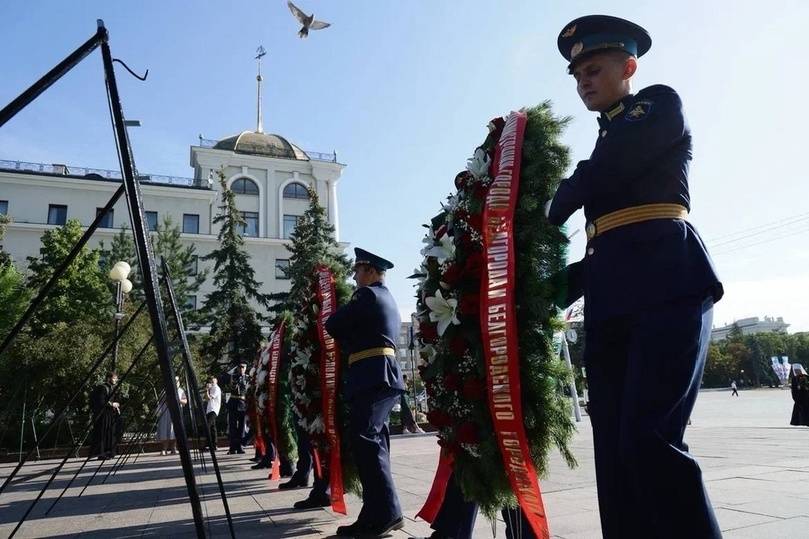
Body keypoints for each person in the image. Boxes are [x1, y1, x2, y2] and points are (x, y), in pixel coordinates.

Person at [546, 15, 724, 538]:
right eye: (576, 74)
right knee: (616, 454)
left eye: (594, 68)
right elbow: (608, 238)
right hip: (610, 296)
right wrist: (549, 287)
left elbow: (610, 170)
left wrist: (546, 208)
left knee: (650, 439)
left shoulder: (657, 106)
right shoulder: (606, 138)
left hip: (667, 284)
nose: (584, 80)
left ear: (629, 67)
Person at [324, 248, 407, 537]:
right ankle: (377, 513)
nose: (354, 276)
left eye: (357, 271)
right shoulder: (387, 298)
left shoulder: (367, 295)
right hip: (383, 376)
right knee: (376, 445)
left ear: (370, 271)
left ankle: (386, 513)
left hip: (371, 375)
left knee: (367, 443)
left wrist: (350, 343)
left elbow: (332, 324)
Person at [90, 372, 121, 460]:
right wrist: (112, 404)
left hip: (110, 414)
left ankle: (110, 452)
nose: (116, 380)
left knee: (110, 433)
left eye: (116, 378)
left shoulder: (113, 388)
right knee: (103, 434)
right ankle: (102, 453)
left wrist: (116, 404)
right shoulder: (102, 388)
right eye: (114, 378)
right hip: (103, 415)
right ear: (108, 378)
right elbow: (101, 401)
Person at [156, 375, 188, 455]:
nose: (176, 382)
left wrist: (179, 400)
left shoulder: (181, 391)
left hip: (176, 413)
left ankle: (174, 448)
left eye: (177, 381)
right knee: (165, 430)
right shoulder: (166, 390)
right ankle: (164, 449)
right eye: (175, 381)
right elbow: (162, 401)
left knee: (174, 431)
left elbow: (185, 401)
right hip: (166, 414)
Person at [227, 362, 248, 454]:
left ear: (246, 368)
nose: (242, 369)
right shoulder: (233, 376)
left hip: (243, 404)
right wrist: (237, 380)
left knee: (241, 427)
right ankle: (232, 447)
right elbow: (232, 387)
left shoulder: (247, 378)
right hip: (234, 403)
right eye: (240, 367)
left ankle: (239, 446)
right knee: (232, 427)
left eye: (243, 367)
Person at [205, 375, 221, 450]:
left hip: (214, 409)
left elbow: (209, 397)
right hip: (209, 409)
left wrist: (207, 390)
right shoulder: (211, 388)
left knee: (207, 426)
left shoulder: (216, 388)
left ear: (216, 380)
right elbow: (206, 398)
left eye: (213, 379)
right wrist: (207, 390)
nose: (212, 381)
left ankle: (208, 444)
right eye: (211, 380)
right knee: (212, 428)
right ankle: (214, 444)